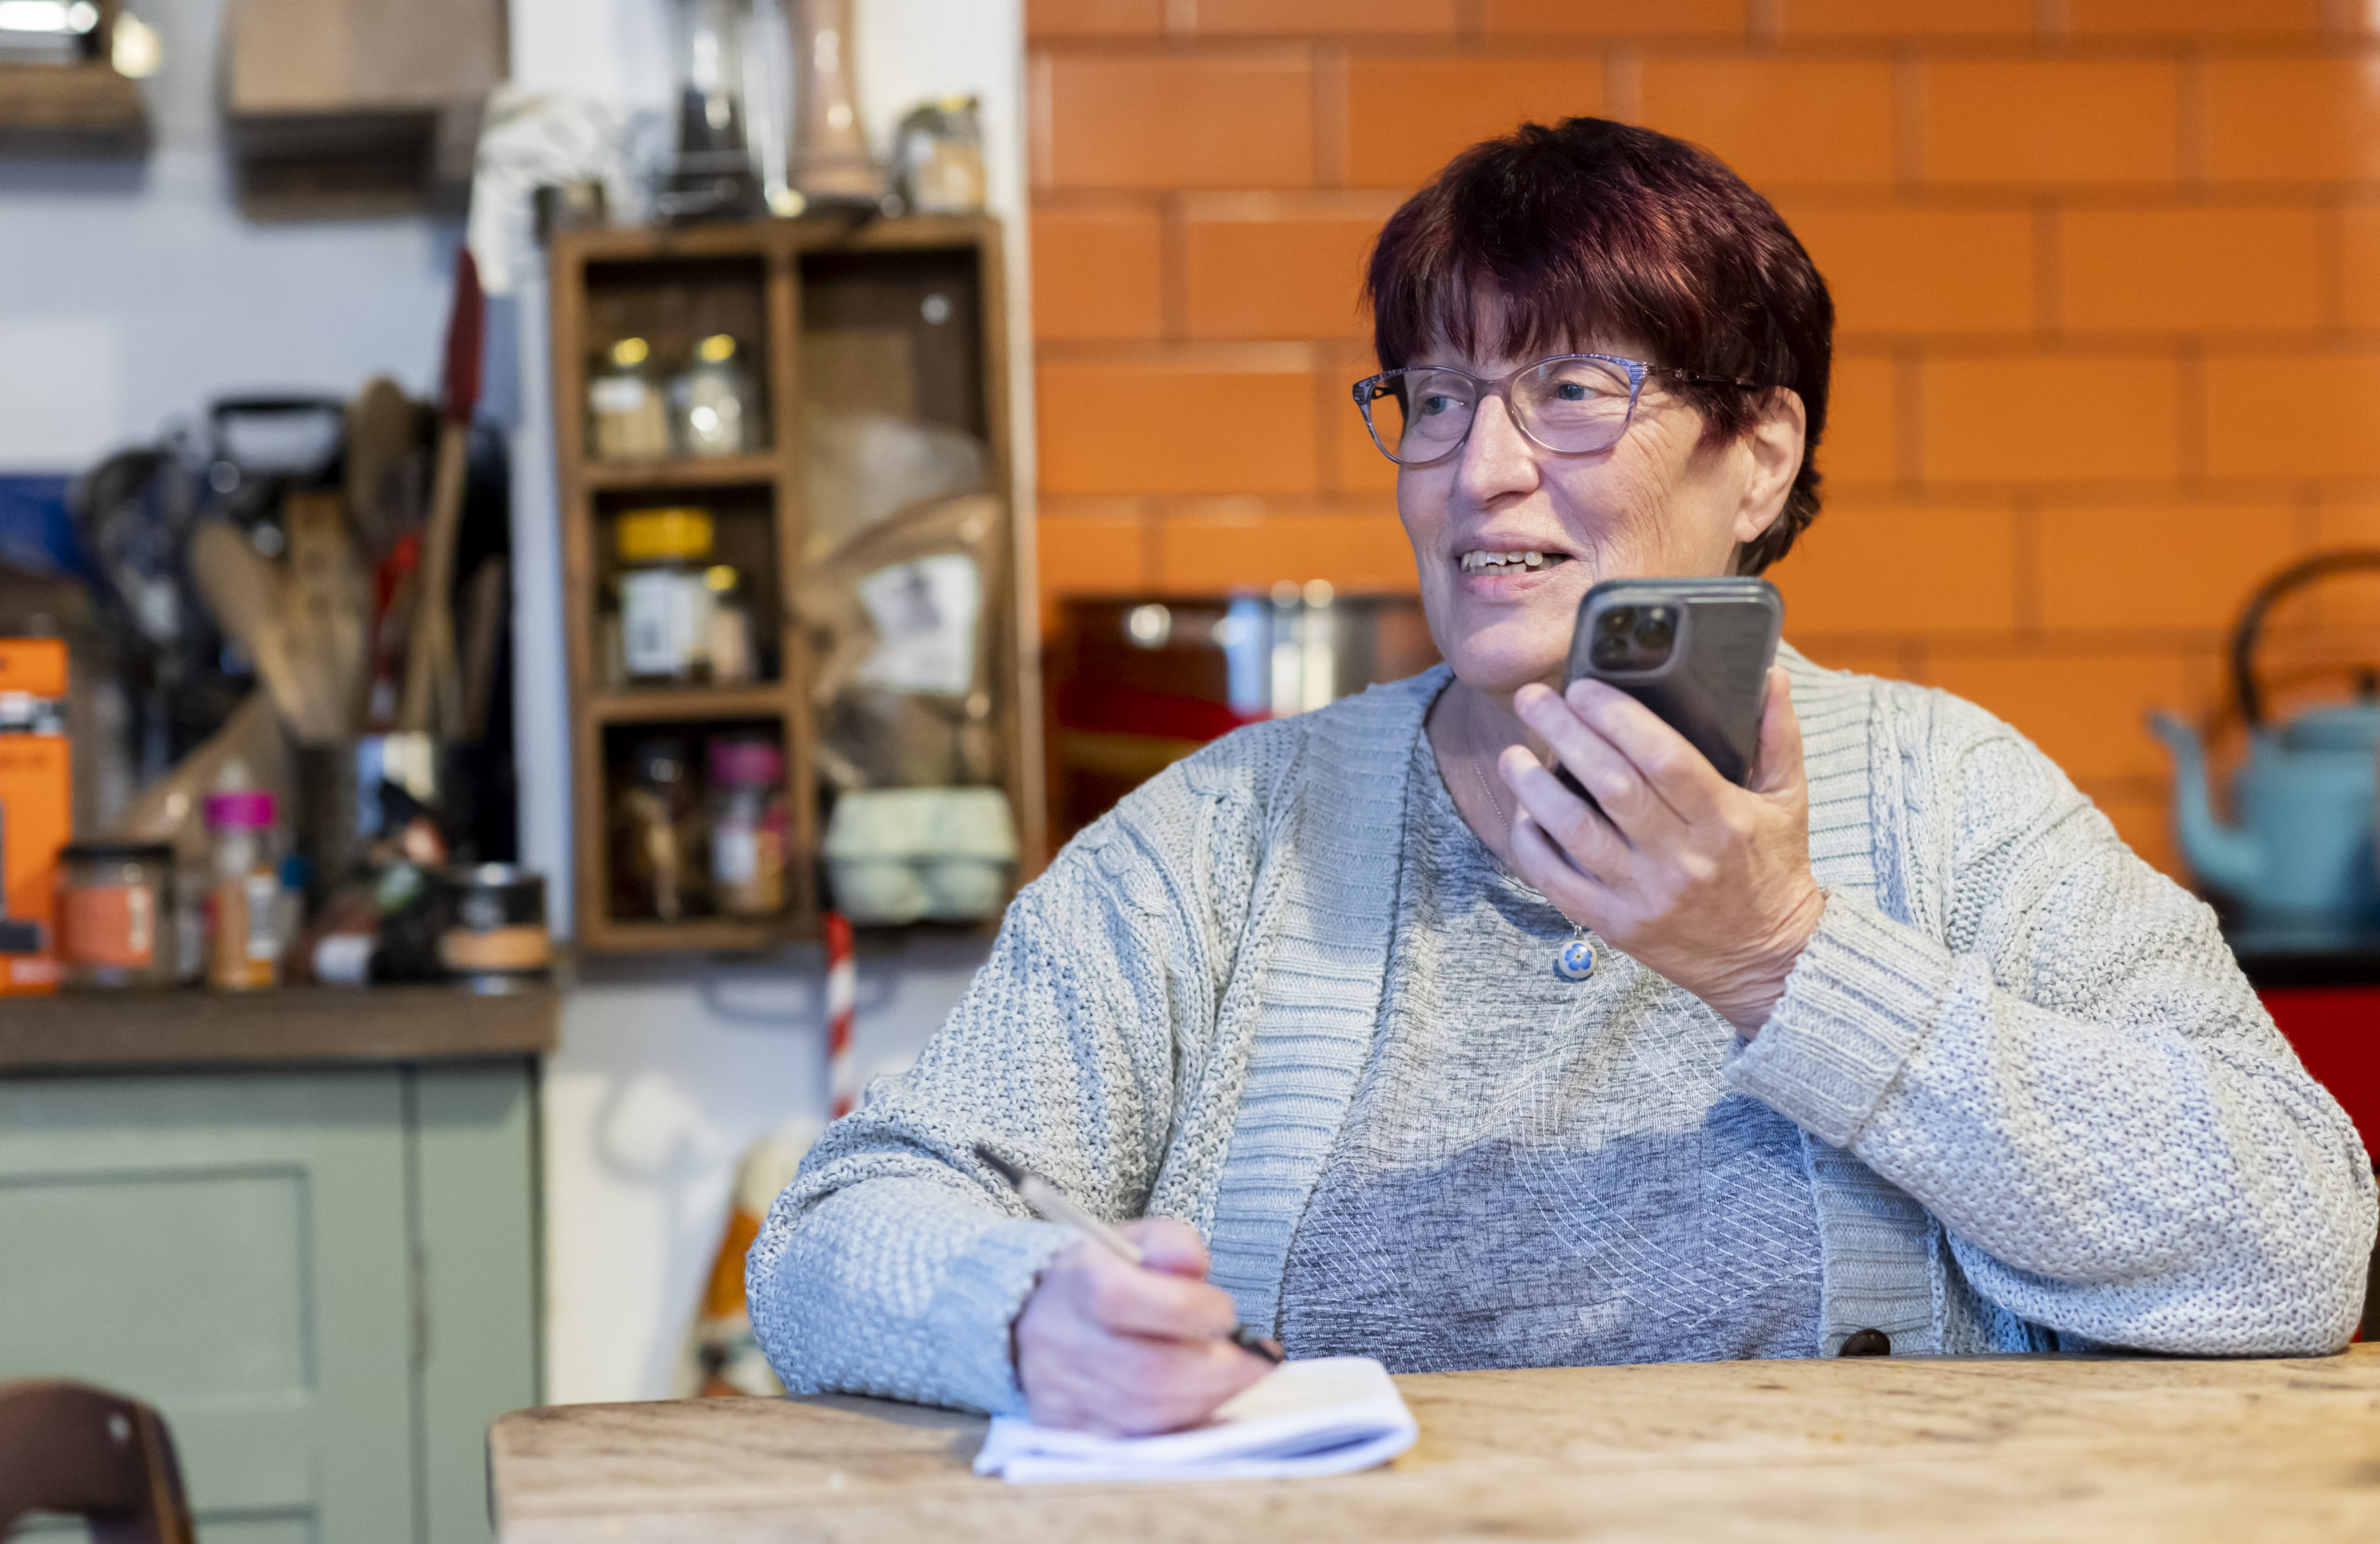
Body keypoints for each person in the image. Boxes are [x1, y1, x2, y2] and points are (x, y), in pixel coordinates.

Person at [748, 117, 2376, 1435]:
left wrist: (1782, 961)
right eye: (1440, 395)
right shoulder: (1229, 841)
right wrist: (1031, 1317)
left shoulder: (1956, 804)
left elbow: (2299, 1240)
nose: (1480, 468)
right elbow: (840, 1229)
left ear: (1762, 457)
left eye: (1575, 392)